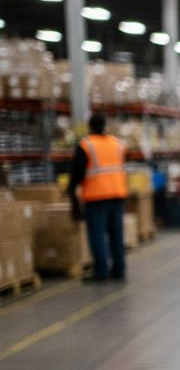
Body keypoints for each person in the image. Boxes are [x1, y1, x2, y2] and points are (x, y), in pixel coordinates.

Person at [67, 114, 129, 283]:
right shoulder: (117, 143)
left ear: (90, 126)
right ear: (105, 125)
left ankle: (101, 272)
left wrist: (72, 193)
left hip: (97, 197)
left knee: (97, 235)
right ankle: (119, 269)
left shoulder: (86, 145)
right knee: (116, 233)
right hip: (117, 194)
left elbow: (76, 174)